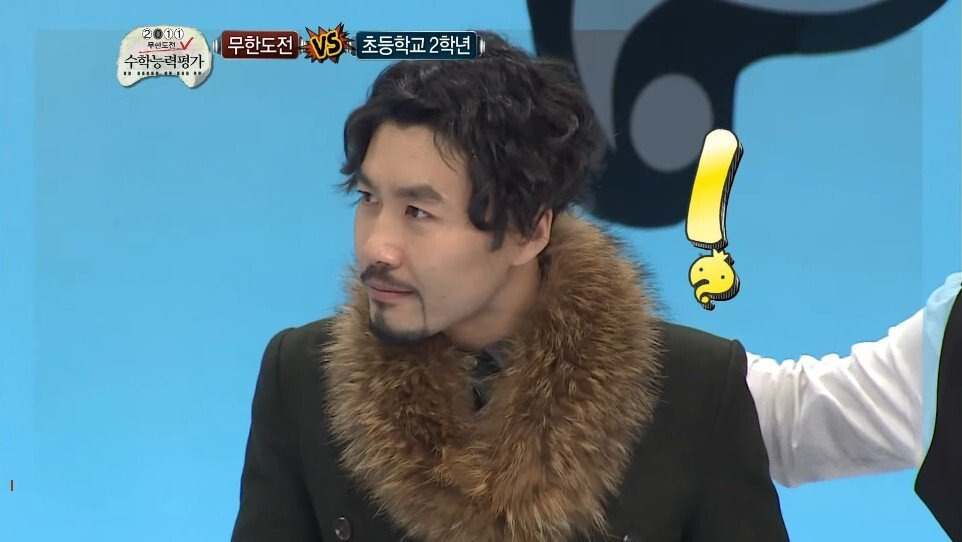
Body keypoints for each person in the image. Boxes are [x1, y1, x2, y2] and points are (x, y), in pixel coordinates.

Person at [230, 31, 788, 542]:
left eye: (419, 212)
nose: (377, 247)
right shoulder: (300, 375)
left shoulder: (697, 388)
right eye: (368, 199)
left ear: (529, 231)